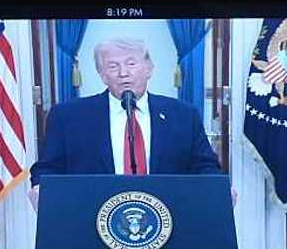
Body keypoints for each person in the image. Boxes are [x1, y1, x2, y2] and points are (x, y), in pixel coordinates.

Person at [28, 37, 222, 207]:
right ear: (102, 75)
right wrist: (41, 188)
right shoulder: (68, 116)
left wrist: (218, 187)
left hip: (169, 218)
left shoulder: (183, 115)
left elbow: (205, 166)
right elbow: (47, 168)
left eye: (131, 63)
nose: (123, 73)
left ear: (149, 69)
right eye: (113, 66)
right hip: (91, 220)